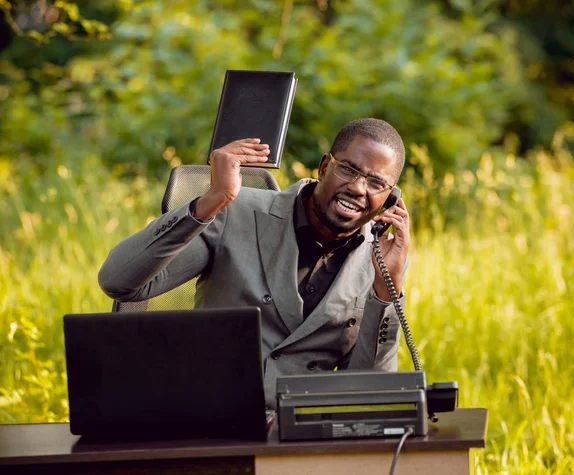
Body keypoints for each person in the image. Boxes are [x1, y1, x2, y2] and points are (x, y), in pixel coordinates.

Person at [99, 118, 410, 408]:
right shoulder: (235, 211)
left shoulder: (380, 259)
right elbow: (119, 281)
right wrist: (210, 201)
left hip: (303, 433)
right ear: (325, 166)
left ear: (391, 198)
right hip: (211, 418)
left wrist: (387, 293)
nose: (357, 188)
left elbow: (372, 393)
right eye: (348, 170)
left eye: (375, 183)